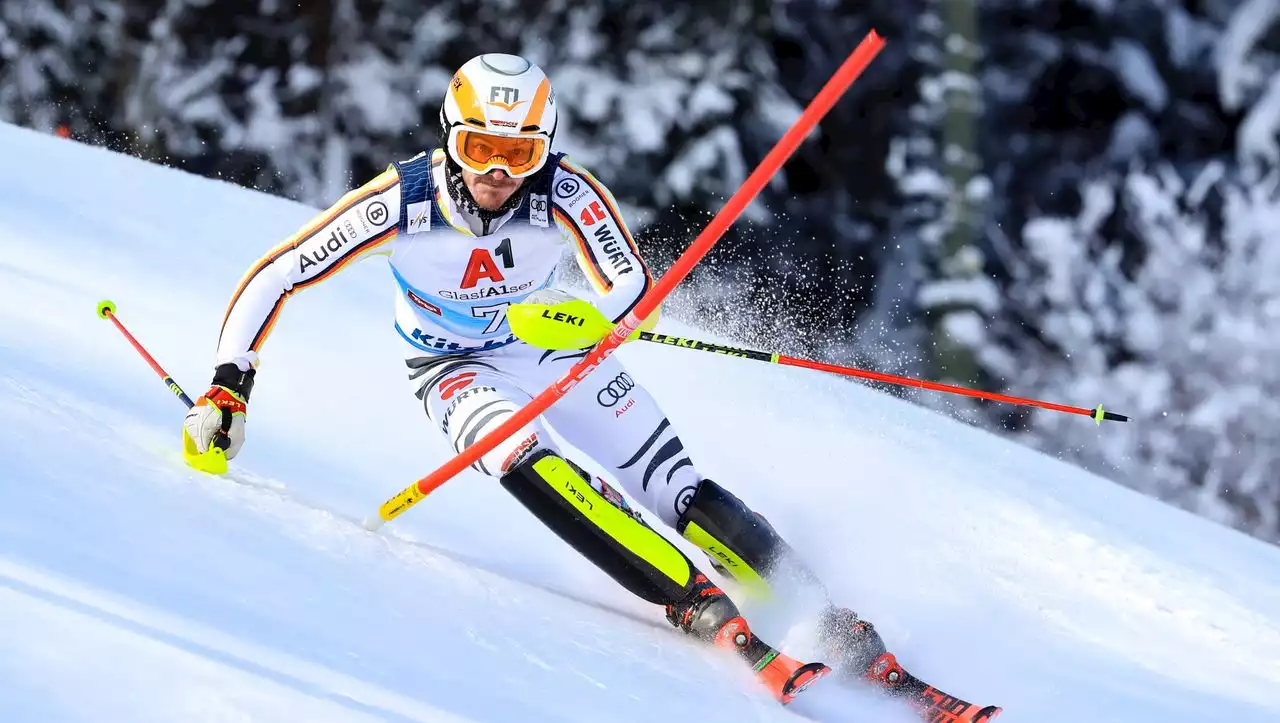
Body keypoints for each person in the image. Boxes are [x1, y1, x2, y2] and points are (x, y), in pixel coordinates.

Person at [182, 53, 997, 720]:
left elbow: (629, 284)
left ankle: (830, 620)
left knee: (675, 484)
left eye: (519, 153)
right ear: (451, 138)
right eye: (480, 149)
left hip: (546, 350)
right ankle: (702, 607)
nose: (499, 173)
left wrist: (588, 320)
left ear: (544, 147)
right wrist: (229, 385)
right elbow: (281, 272)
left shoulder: (565, 191)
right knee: (518, 452)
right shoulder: (404, 200)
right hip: (452, 369)